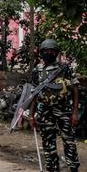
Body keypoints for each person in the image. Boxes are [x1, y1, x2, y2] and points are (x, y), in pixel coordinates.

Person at [29, 39, 80, 172]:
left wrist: (75, 112)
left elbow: (75, 89)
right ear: (41, 53)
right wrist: (31, 115)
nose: (49, 53)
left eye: (52, 51)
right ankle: (52, 168)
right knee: (48, 143)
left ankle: (73, 167)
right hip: (45, 112)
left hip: (64, 111)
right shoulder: (37, 70)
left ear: (56, 53)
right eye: (46, 51)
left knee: (69, 141)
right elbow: (34, 93)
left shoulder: (64, 68)